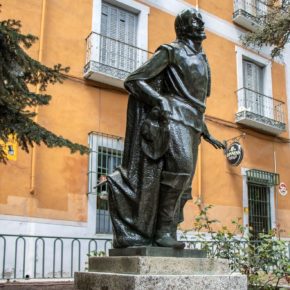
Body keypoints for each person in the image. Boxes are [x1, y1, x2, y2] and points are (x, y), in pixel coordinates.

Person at [107, 7, 224, 249]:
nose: (201, 24)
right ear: (182, 27)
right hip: (172, 119)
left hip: (192, 123)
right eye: (195, 21)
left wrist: (206, 131)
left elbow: (196, 102)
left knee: (184, 182)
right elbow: (134, 79)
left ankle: (168, 231)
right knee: (181, 168)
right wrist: (160, 101)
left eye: (201, 21)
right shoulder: (171, 51)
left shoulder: (204, 59)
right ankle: (161, 231)